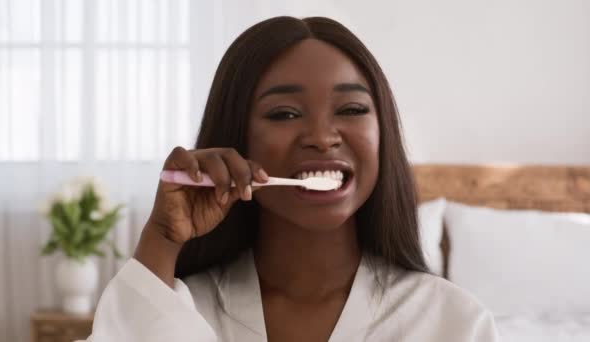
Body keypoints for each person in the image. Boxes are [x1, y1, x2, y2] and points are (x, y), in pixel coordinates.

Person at [83, 16, 499, 341]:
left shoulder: (454, 323)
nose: (321, 138)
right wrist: (161, 238)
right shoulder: (184, 310)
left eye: (351, 109)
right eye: (284, 113)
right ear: (236, 138)